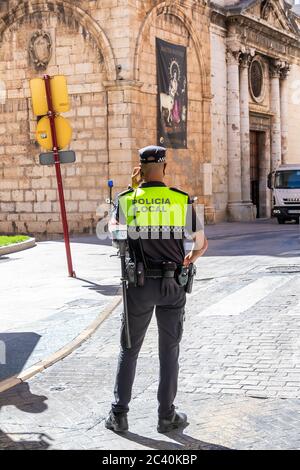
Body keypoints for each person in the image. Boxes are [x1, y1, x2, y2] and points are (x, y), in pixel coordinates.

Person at [105, 145, 208, 433]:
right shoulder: (180, 199)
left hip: (137, 286)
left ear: (140, 167)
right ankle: (166, 416)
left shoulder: (127, 199)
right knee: (169, 351)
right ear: (164, 167)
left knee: (129, 349)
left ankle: (119, 415)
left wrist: (130, 192)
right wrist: (188, 259)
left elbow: (115, 235)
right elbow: (201, 244)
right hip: (172, 284)